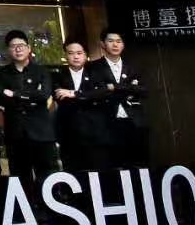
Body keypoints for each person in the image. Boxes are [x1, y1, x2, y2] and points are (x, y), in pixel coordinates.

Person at [0, 29, 59, 201]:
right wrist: (31, 95)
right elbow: (0, 97)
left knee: (48, 177)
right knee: (20, 179)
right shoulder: (1, 74)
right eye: (13, 46)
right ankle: (28, 212)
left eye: (21, 45)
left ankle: (50, 210)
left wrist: (15, 94)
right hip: (16, 134)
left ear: (29, 48)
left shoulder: (41, 71)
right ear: (8, 50)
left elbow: (44, 94)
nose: (18, 49)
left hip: (42, 133)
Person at [88, 28, 151, 168]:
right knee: (113, 166)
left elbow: (144, 90)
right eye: (111, 41)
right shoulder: (93, 67)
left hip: (134, 122)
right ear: (102, 44)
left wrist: (115, 87)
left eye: (119, 41)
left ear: (123, 44)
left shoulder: (133, 67)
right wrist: (129, 88)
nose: (115, 45)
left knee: (139, 165)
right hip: (107, 123)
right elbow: (95, 92)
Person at [53, 39, 110, 172]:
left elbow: (102, 93)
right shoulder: (58, 76)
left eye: (79, 53)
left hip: (94, 132)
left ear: (85, 55)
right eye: (71, 53)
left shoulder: (96, 73)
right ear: (65, 55)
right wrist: (88, 96)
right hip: (68, 132)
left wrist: (74, 94)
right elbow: (59, 96)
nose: (76, 56)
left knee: (97, 171)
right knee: (73, 172)